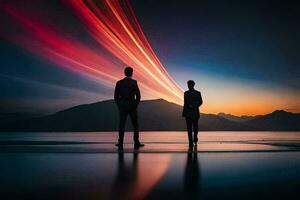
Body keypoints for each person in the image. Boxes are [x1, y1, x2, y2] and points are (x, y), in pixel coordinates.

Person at [114, 66, 144, 148]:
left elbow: (116, 97)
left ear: (125, 73)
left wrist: (119, 106)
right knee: (135, 125)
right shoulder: (134, 82)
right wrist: (135, 105)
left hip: (123, 106)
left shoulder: (119, 83)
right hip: (132, 107)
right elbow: (138, 96)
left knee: (122, 124)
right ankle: (136, 142)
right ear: (131, 73)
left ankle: (120, 142)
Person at [182, 80, 203, 148]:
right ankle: (191, 141)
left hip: (191, 113)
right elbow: (200, 102)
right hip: (191, 113)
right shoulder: (187, 93)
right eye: (188, 85)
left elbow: (200, 102)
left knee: (193, 127)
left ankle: (194, 139)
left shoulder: (195, 93)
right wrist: (195, 106)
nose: (188, 86)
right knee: (191, 128)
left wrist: (193, 106)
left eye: (189, 85)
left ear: (192, 85)